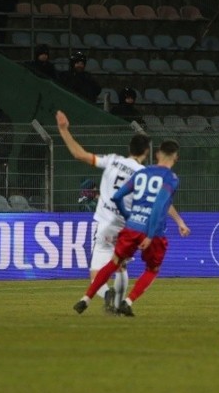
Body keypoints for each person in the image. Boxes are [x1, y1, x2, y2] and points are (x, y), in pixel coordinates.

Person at [56, 110, 189, 314]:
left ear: (129, 148)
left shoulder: (112, 161)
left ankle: (106, 295)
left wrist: (64, 130)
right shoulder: (144, 172)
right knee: (122, 267)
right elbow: (161, 202)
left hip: (106, 223)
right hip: (131, 225)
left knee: (99, 269)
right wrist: (178, 221)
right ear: (146, 153)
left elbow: (79, 154)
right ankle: (120, 302)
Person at [73, 139, 183, 317]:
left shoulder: (143, 173)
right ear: (176, 157)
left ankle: (86, 298)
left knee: (114, 262)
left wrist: (128, 216)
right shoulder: (171, 178)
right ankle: (127, 302)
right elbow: (159, 205)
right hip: (152, 231)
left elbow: (117, 196)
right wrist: (151, 233)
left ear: (157, 155)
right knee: (151, 269)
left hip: (131, 226)